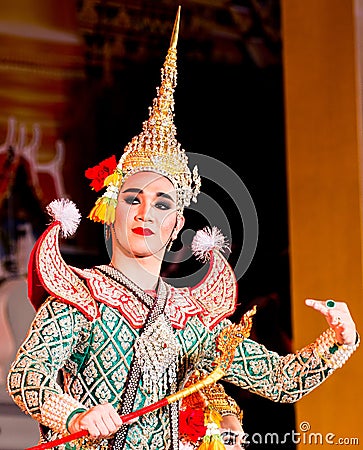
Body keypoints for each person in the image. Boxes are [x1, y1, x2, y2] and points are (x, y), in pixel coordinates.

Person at [7, 7, 359, 450]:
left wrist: (339, 340)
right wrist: (75, 413)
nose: (145, 213)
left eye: (162, 204)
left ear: (176, 226)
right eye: (133, 199)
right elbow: (26, 377)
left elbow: (281, 381)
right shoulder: (82, 298)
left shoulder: (189, 318)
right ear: (110, 209)